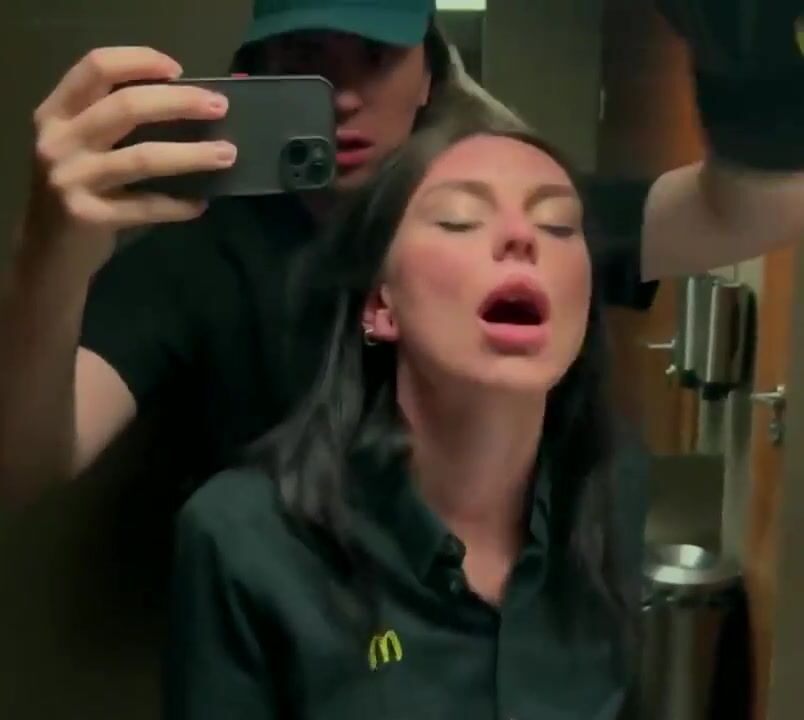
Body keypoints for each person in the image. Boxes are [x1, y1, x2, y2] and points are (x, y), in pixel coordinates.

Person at [1, 0, 802, 506]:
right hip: (280, 653)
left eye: (376, 57)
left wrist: (749, 63)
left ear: (428, 76)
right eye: (307, 58)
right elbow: (22, 463)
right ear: (253, 76)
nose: (345, 95)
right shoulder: (193, 257)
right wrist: (48, 250)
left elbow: (749, 216)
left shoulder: (514, 216)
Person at [165, 120, 648, 720]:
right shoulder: (246, 537)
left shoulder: (612, 486)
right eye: (459, 220)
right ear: (380, 304)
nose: (522, 237)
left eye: (557, 225)